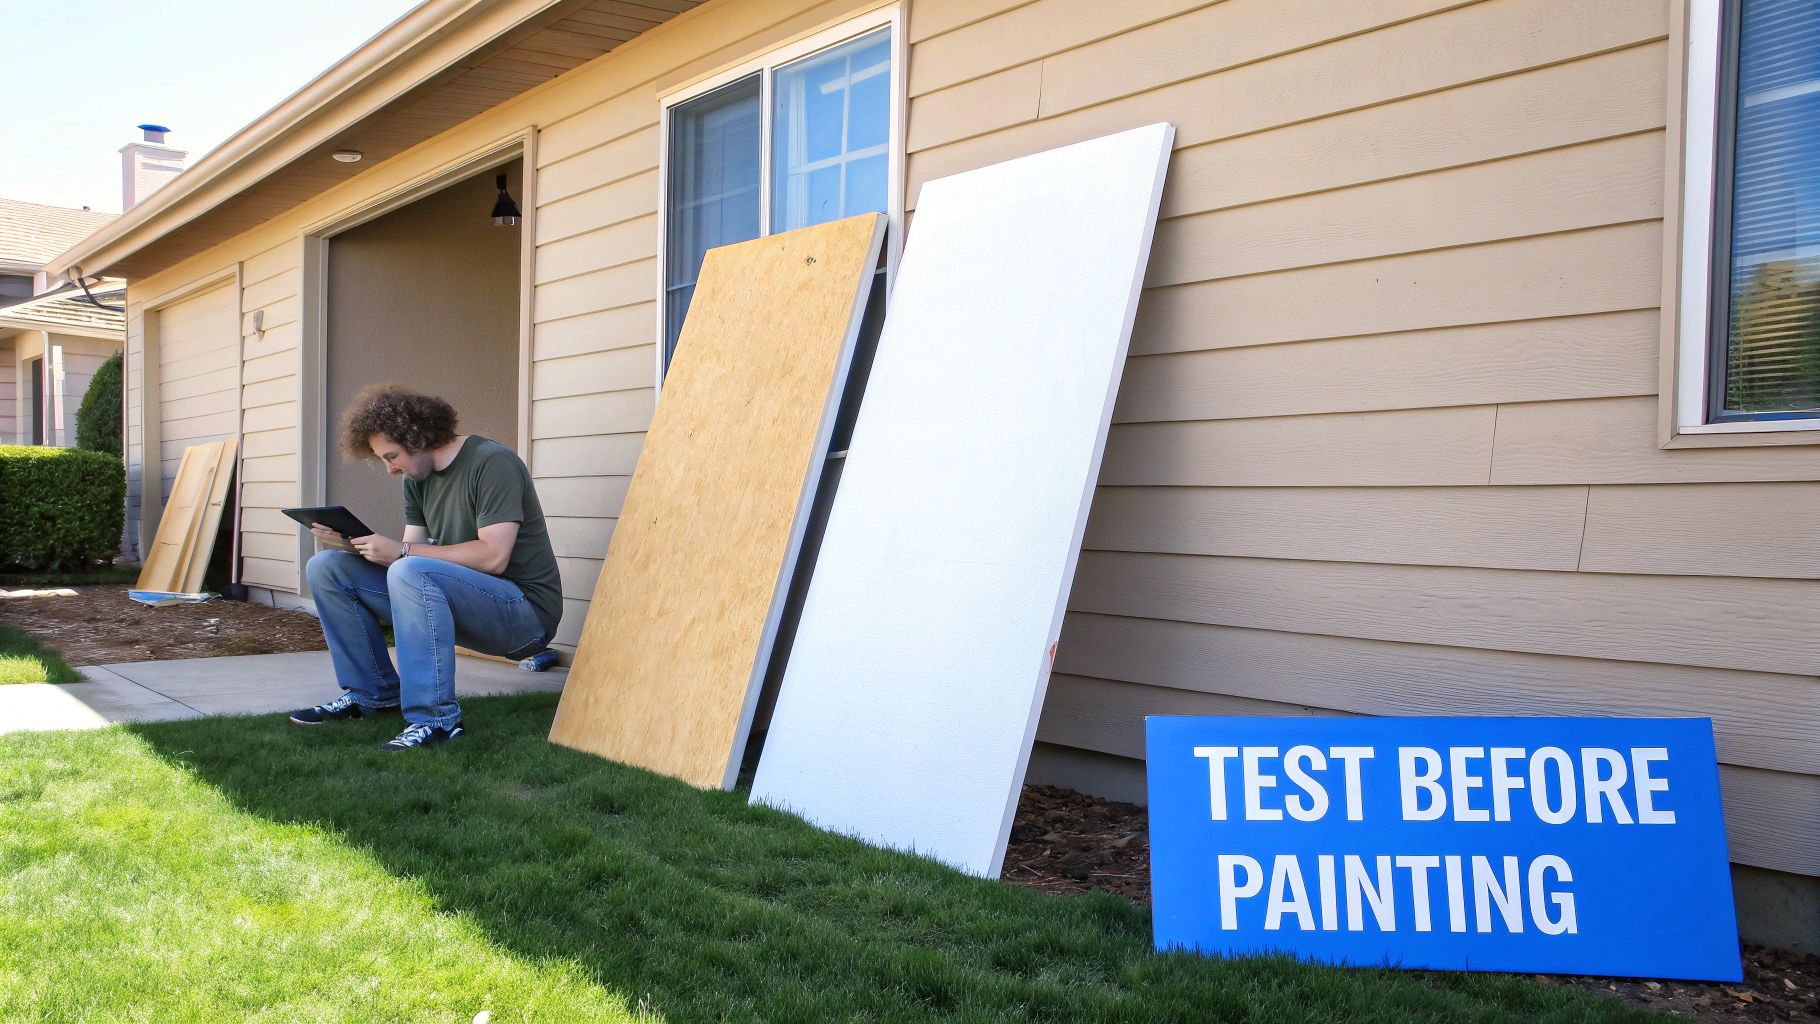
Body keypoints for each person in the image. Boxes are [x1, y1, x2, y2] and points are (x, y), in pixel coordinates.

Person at [289, 384, 562, 750]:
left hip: (523, 615)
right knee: (327, 567)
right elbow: (411, 551)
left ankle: (436, 720)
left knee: (409, 568)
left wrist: (400, 552)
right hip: (463, 600)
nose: (389, 469)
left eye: (392, 456)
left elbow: (494, 557)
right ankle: (373, 694)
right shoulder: (416, 480)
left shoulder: (492, 463)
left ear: (416, 437)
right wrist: (354, 545)